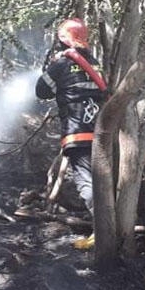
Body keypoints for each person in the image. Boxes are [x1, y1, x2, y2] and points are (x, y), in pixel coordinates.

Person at [35, 18, 105, 250]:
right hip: (101, 134)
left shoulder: (62, 64)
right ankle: (108, 228)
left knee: (86, 183)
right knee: (103, 182)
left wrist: (52, 66)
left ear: (63, 40)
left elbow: (41, 90)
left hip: (77, 134)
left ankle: (102, 234)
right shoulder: (96, 64)